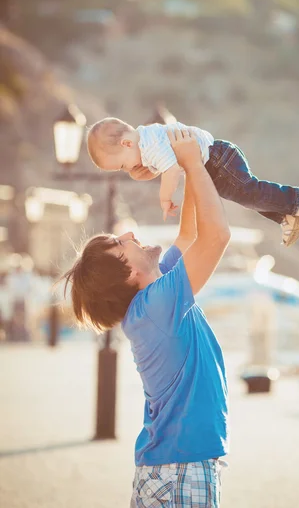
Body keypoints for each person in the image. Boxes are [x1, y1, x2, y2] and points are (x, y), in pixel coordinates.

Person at [61, 127, 231, 507]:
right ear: (128, 275)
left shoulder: (155, 292)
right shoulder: (156, 305)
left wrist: (189, 166)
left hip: (174, 467)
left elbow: (189, 234)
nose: (131, 235)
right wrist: (189, 161)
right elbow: (216, 236)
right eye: (122, 244)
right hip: (180, 469)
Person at [87, 117, 299, 247]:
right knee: (244, 198)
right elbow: (169, 165)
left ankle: (296, 200)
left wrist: (164, 198)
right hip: (212, 165)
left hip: (218, 158)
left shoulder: (148, 144)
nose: (126, 169)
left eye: (121, 164)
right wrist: (146, 171)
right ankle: (285, 215)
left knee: (249, 191)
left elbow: (171, 169)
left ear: (126, 144)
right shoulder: (145, 143)